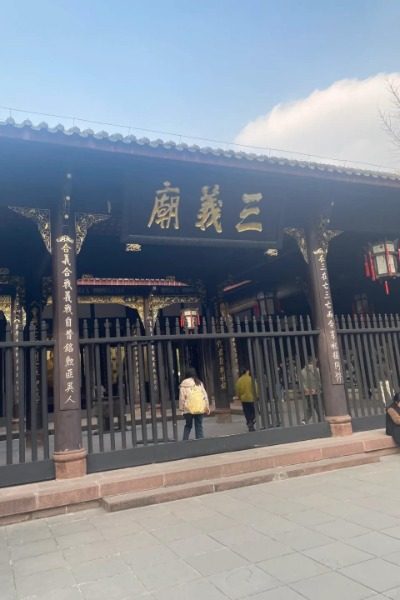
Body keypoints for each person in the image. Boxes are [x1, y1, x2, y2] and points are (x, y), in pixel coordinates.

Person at [179, 368, 210, 440]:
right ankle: (200, 442)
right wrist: (207, 407)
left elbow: (182, 398)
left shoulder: (184, 384)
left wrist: (181, 409)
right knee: (199, 425)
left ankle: (185, 441)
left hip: (188, 409)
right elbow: (205, 396)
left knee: (188, 425)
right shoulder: (199, 383)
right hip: (199, 407)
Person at [301, 358, 322, 423]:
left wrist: (306, 389)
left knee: (310, 407)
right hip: (316, 391)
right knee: (319, 407)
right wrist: (317, 388)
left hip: (308, 392)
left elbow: (301, 382)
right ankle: (321, 421)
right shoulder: (317, 370)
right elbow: (320, 381)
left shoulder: (302, 371)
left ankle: (305, 420)